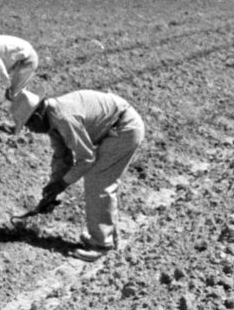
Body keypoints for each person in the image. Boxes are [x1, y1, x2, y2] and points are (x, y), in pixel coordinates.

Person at [12, 88, 145, 254]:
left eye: (28, 125)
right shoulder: (52, 118)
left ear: (37, 116)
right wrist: (53, 187)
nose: (30, 130)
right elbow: (62, 156)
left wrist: (62, 184)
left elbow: (87, 158)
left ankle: (101, 244)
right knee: (98, 180)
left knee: (98, 180)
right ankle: (107, 236)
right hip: (116, 128)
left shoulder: (63, 118)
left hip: (124, 128)